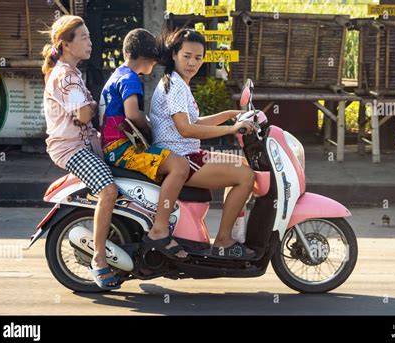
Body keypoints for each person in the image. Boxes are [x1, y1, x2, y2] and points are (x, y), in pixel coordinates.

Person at [150, 28, 258, 260]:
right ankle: (224, 240)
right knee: (245, 176)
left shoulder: (178, 83)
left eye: (198, 58)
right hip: (182, 157)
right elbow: (186, 129)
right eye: (186, 56)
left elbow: (195, 122)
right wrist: (231, 129)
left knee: (241, 163)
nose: (192, 62)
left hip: (190, 153)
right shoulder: (176, 86)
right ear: (174, 55)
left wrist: (230, 114)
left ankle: (232, 233)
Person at [42, 15, 120, 289]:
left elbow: (84, 114)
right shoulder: (64, 76)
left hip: (86, 144)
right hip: (72, 149)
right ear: (66, 44)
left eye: (89, 35)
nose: (90, 41)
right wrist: (90, 106)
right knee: (108, 190)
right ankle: (99, 258)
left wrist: (87, 108)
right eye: (84, 37)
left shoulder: (73, 74)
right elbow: (85, 115)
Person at [99, 28, 189, 260]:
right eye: (154, 61)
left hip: (112, 146)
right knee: (179, 166)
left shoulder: (117, 74)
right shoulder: (130, 78)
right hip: (122, 149)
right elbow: (132, 113)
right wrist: (148, 126)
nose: (153, 69)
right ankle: (159, 230)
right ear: (147, 58)